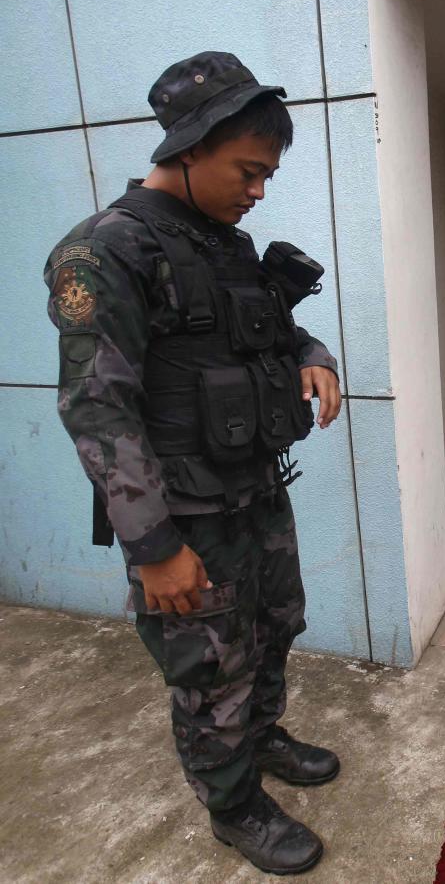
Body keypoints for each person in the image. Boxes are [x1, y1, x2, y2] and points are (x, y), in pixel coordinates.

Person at [44, 52, 343, 874]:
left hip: (254, 489)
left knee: (276, 627)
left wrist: (312, 352)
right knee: (211, 668)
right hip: (184, 518)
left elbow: (269, 329)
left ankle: (264, 737)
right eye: (249, 170)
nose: (259, 190)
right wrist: (153, 547)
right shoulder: (107, 250)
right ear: (190, 145)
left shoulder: (225, 245)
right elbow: (97, 409)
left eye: (267, 175)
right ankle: (233, 803)